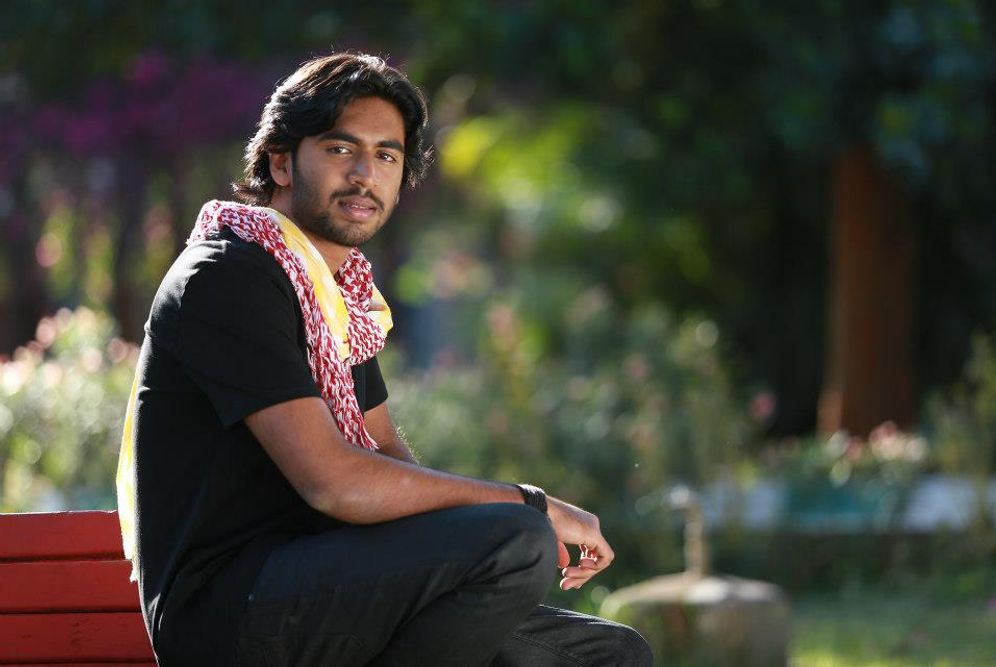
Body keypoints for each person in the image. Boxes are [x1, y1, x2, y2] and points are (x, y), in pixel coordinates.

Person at [116, 51, 653, 667]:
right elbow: (333, 481)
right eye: (340, 149)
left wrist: (473, 539)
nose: (365, 174)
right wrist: (528, 504)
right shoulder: (228, 275)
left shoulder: (333, 294)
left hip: (331, 581)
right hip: (230, 611)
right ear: (281, 162)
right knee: (517, 540)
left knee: (609, 655)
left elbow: (384, 452)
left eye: (387, 156)